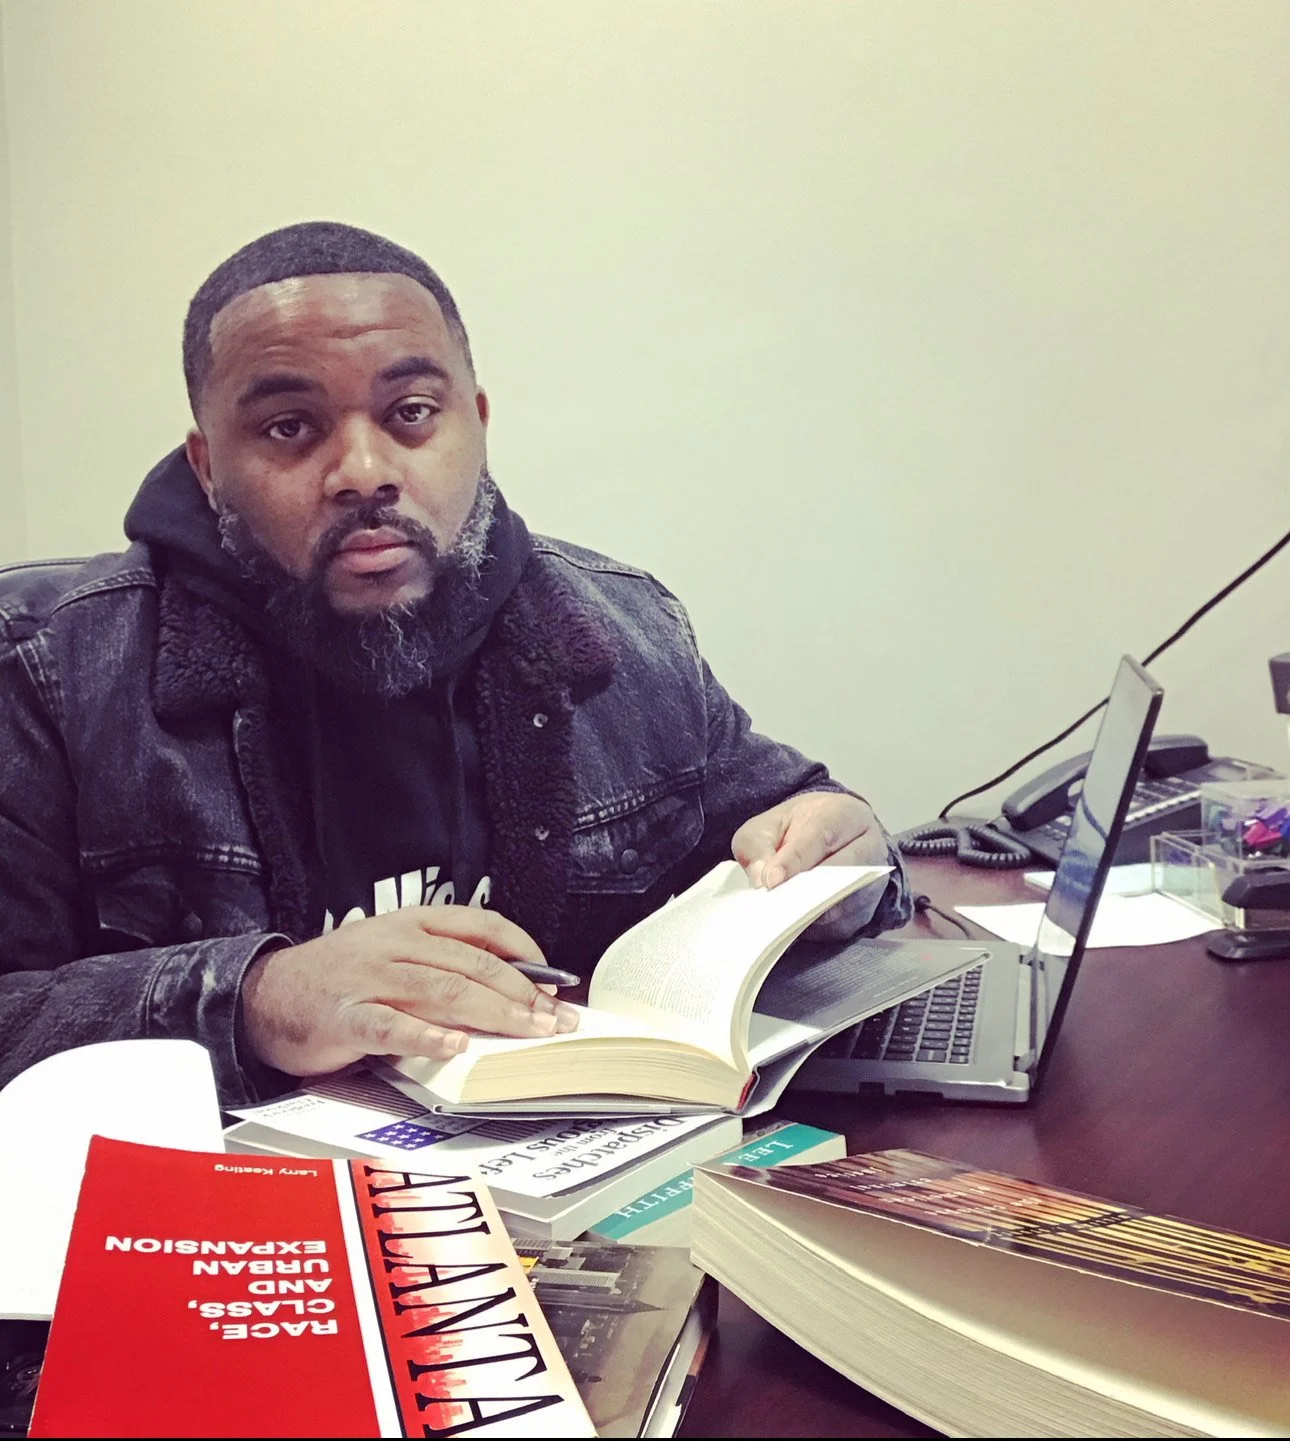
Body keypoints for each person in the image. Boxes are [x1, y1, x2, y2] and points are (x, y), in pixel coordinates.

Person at [0, 222, 910, 1105]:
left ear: (475, 424)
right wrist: (255, 999)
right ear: (207, 466)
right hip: (210, 1221)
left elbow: (795, 823)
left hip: (579, 1203)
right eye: (288, 427)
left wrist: (844, 857)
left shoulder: (621, 631)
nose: (362, 469)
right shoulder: (50, 672)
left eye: (410, 413)